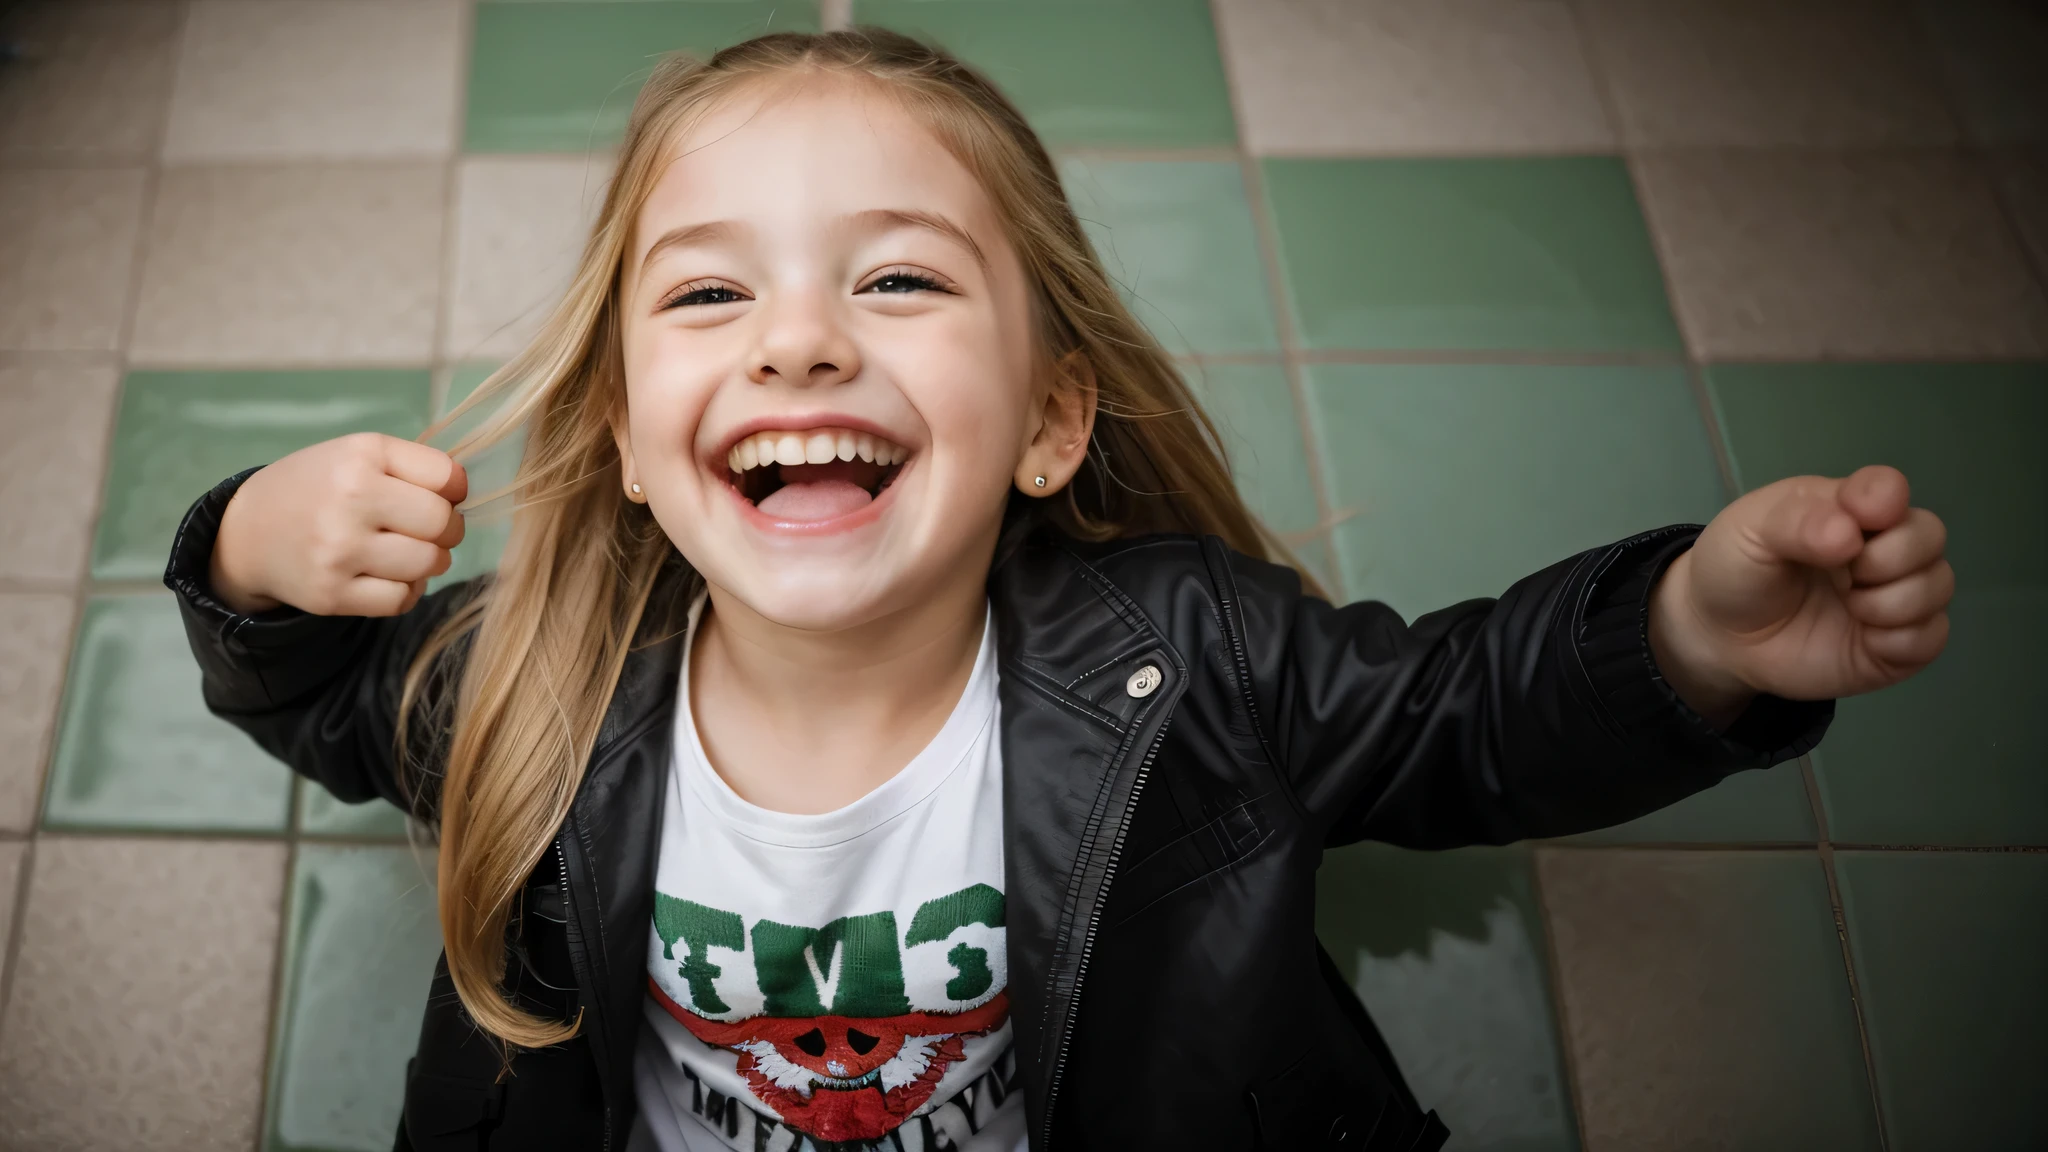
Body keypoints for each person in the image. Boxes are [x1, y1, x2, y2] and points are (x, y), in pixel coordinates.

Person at [165, 28, 1953, 1152]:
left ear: (1047, 419)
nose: (797, 336)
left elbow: (1466, 722)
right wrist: (252, 541)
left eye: (899, 284)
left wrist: (1689, 640)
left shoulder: (1195, 656)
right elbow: (313, 696)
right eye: (710, 298)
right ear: (628, 439)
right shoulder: (529, 683)